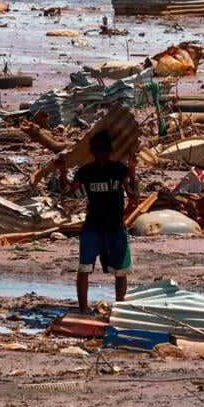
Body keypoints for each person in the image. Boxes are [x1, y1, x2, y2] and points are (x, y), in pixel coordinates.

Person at [66, 130, 137, 314]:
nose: (100, 153)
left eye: (103, 149)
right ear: (92, 151)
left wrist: (133, 169)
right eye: (96, 149)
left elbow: (132, 194)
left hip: (115, 227)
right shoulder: (86, 171)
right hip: (93, 226)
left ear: (109, 150)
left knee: (121, 272)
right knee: (84, 269)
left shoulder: (119, 170)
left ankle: (119, 310)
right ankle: (83, 310)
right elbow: (68, 192)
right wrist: (60, 169)